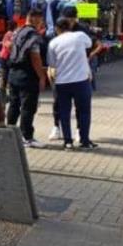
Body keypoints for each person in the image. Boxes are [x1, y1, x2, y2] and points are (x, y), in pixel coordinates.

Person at [48, 17, 98, 150]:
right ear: (69, 26)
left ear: (57, 29)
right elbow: (89, 44)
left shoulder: (53, 43)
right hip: (81, 81)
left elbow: (52, 64)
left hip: (62, 82)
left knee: (64, 111)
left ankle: (68, 142)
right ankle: (84, 141)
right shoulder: (80, 36)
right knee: (84, 112)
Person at [6, 7, 47, 149]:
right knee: (28, 107)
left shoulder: (18, 32)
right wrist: (41, 76)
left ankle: (9, 132)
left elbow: (10, 47)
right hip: (27, 75)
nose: (41, 23)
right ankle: (27, 137)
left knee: (14, 104)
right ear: (35, 18)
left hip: (13, 73)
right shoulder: (33, 36)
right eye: (41, 20)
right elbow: (35, 56)